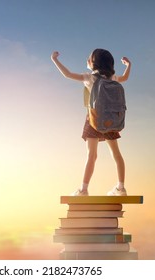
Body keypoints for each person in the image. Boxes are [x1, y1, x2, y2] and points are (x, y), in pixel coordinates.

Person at [51, 49, 131, 196]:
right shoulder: (113, 77)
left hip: (93, 119)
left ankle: (83, 189)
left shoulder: (89, 77)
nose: (87, 59)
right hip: (110, 121)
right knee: (117, 154)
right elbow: (125, 78)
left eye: (89, 58)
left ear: (93, 63)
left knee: (92, 155)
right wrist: (128, 65)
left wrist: (54, 59)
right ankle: (121, 187)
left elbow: (67, 74)